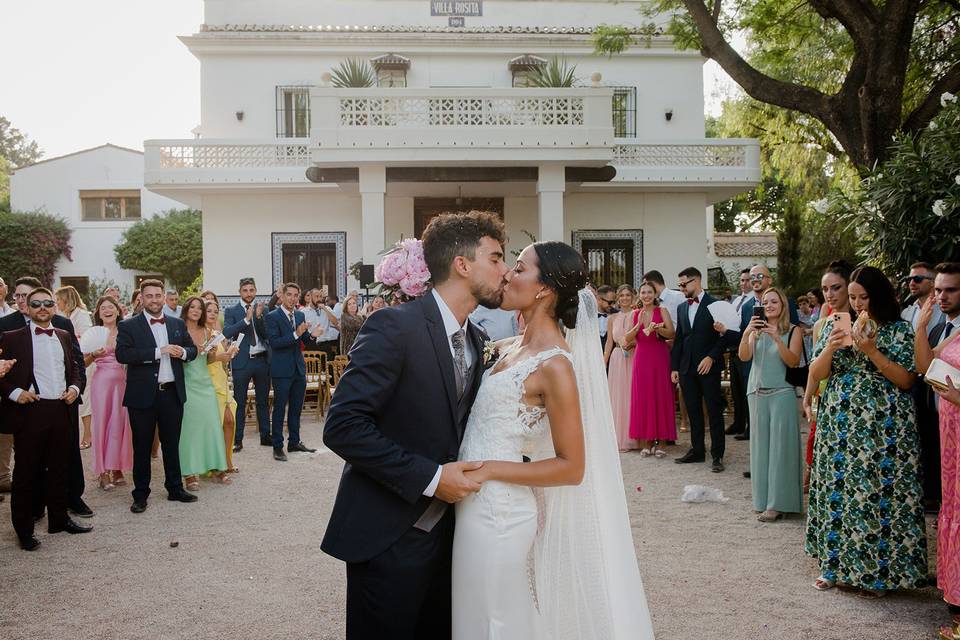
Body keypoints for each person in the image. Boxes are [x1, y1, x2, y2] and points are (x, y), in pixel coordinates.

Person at [452, 242, 655, 639]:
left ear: (544, 288)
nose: (508, 274)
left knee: (496, 620)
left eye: (520, 268)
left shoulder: (555, 366)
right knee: (474, 615)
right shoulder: (504, 348)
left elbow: (572, 466)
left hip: (501, 513)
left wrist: (490, 469)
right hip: (471, 504)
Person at [321, 211, 508, 639]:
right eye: (495, 258)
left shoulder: (477, 340)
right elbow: (344, 424)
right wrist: (430, 478)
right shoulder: (394, 326)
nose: (505, 269)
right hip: (389, 534)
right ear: (462, 265)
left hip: (454, 541)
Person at [805, 266, 927, 596]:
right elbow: (816, 374)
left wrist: (872, 351)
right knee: (839, 493)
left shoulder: (899, 329)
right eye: (854, 298)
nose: (858, 304)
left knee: (878, 496)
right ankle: (832, 567)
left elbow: (906, 380)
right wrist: (830, 347)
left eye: (863, 297)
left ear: (880, 296)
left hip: (885, 428)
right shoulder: (835, 324)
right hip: (840, 426)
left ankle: (878, 573)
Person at [0, 288, 92, 550]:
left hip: (61, 409)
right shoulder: (12, 337)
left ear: (55, 307)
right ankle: (23, 529)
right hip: (31, 411)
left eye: (47, 303)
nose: (42, 307)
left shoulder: (63, 334)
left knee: (60, 467)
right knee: (27, 472)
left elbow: (75, 366)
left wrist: (75, 389)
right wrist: (16, 393)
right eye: (36, 303)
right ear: (26, 308)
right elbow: (1, 374)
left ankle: (59, 519)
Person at [116, 279, 199, 514]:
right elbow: (122, 354)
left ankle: (175, 488)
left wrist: (182, 352)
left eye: (157, 295)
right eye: (149, 296)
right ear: (141, 299)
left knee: (172, 444)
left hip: (171, 393)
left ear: (164, 297)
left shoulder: (176, 323)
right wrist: (157, 352)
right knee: (141, 446)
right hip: (142, 396)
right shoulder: (129, 325)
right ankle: (140, 494)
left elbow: (192, 350)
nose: (154, 300)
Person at [914, 263, 960, 639]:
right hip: (948, 437)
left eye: (951, 290)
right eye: (939, 290)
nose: (942, 297)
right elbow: (926, 365)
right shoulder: (953, 331)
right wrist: (920, 325)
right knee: (952, 508)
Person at [738, 287, 803, 522]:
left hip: (782, 393)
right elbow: (744, 356)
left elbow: (793, 361)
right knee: (760, 450)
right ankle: (762, 500)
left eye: (774, 301)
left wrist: (776, 337)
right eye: (765, 302)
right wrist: (747, 334)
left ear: (783, 305)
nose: (769, 305)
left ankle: (779, 504)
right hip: (756, 392)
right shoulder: (756, 330)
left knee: (780, 450)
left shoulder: (793, 330)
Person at [672, 267, 736, 472]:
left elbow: (725, 336)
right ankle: (697, 450)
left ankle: (717, 455)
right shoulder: (682, 307)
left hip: (709, 366)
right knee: (692, 411)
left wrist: (711, 357)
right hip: (686, 368)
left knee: (714, 410)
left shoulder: (715, 304)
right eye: (679, 285)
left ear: (697, 280)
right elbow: (680, 339)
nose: (681, 288)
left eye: (684, 284)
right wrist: (675, 367)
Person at [802, 261, 853, 491]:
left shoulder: (866, 320)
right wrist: (808, 396)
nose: (829, 294)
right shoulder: (821, 325)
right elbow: (814, 367)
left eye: (836, 287)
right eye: (825, 289)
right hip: (828, 397)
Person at [177, 297, 231, 490]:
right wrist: (190, 351)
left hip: (205, 383)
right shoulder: (178, 329)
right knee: (190, 429)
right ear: (186, 309)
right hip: (187, 383)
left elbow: (208, 361)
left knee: (212, 425)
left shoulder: (207, 331)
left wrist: (211, 352)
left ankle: (217, 468)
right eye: (192, 307)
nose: (196, 310)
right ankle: (189, 473)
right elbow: (175, 358)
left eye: (199, 308)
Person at [81, 296, 133, 491]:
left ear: (118, 311)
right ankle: (103, 472)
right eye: (103, 308)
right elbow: (83, 363)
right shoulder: (92, 334)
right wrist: (94, 355)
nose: (107, 310)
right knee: (102, 424)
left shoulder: (125, 332)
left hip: (122, 382)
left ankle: (117, 467)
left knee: (119, 424)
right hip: (101, 383)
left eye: (111, 307)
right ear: (98, 313)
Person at [265, 283, 317, 462]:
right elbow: (275, 343)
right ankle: (277, 447)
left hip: (298, 368)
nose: (293, 298)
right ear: (282, 296)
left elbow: (305, 340)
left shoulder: (300, 314)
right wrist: (296, 334)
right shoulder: (272, 316)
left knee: (296, 408)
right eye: (289, 295)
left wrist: (312, 335)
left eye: (296, 295)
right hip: (281, 370)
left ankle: (294, 441)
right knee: (280, 408)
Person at [625, 281, 676, 456]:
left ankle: (661, 442)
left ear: (655, 295)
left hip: (659, 357)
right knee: (644, 396)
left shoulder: (662, 311)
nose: (646, 295)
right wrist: (638, 325)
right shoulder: (635, 314)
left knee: (660, 395)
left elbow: (672, 333)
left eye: (649, 292)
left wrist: (658, 330)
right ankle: (647, 440)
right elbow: (627, 339)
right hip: (641, 358)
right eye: (643, 292)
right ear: (639, 295)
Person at [222, 277, 271, 452]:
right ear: (240, 292)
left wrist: (258, 317)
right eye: (245, 290)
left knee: (263, 401)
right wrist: (246, 320)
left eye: (251, 290)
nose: (248, 293)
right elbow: (227, 332)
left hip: (262, 360)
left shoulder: (263, 309)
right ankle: (237, 440)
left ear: (256, 291)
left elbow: (267, 334)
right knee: (240, 402)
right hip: (242, 362)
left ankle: (266, 436)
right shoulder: (231, 310)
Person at [55, 285, 94, 450]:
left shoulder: (82, 315)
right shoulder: (64, 315)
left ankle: (88, 434)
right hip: (69, 360)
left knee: (85, 400)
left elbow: (87, 339)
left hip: (85, 360)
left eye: (58, 300)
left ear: (66, 299)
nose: (56, 303)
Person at [204, 299, 240, 473]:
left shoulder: (216, 333)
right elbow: (200, 360)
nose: (212, 313)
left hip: (221, 380)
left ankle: (227, 460)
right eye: (209, 310)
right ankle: (215, 463)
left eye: (215, 310)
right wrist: (220, 357)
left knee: (230, 421)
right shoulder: (201, 334)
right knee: (218, 423)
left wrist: (230, 353)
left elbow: (223, 361)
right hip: (207, 382)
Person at [604, 284, 639, 451]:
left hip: (634, 357)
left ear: (633, 297)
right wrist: (603, 362)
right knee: (618, 397)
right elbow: (609, 344)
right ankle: (619, 437)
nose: (625, 298)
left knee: (632, 394)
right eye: (622, 295)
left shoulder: (637, 315)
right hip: (617, 358)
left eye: (628, 295)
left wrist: (632, 344)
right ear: (618, 298)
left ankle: (635, 437)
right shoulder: (611, 318)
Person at [726, 268, 754, 437]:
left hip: (745, 346)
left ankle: (750, 426)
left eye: (747, 280)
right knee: (736, 389)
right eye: (742, 280)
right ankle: (738, 422)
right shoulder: (736, 301)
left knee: (746, 389)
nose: (744, 283)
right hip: (733, 348)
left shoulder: (753, 303)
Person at [901, 261, 944, 335]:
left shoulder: (946, 310)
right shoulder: (906, 313)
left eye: (917, 279)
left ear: (932, 282)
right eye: (909, 279)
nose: (911, 283)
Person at [595, 284, 617, 351]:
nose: (612, 305)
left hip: (612, 357)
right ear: (599, 299)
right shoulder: (589, 316)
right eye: (610, 302)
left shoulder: (617, 314)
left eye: (614, 302)